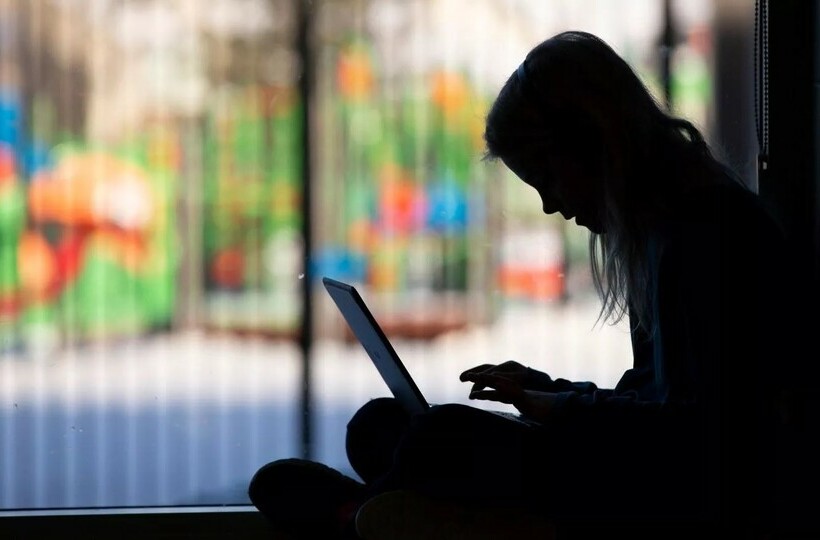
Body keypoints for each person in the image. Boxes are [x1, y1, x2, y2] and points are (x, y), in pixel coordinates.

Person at [248, 30, 814, 539]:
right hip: (659, 471)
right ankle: (384, 505)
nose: (549, 204)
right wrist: (551, 391)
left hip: (687, 494)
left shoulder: (701, 235)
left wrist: (562, 410)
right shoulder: (672, 226)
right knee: (380, 426)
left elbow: (698, 439)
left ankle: (362, 514)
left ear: (593, 144)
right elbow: (657, 401)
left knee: (436, 435)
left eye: (546, 178)